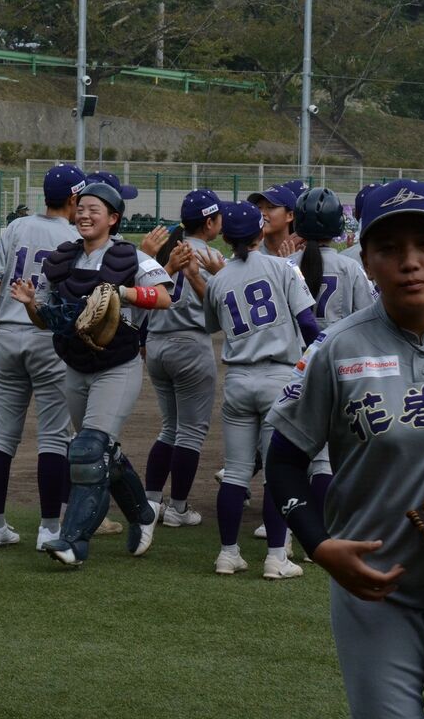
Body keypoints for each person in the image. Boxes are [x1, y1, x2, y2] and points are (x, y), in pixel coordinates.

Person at [265, 179, 424, 719]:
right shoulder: (337, 348)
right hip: (376, 589)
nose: (410, 262)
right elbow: (284, 459)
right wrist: (319, 545)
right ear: (365, 263)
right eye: (389, 249)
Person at [12, 180, 173, 568]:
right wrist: (33, 304)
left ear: (113, 218)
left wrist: (125, 293)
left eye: (94, 210)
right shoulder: (63, 259)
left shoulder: (131, 257)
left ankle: (73, 542)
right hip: (76, 366)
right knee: (102, 453)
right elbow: (45, 322)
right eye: (80, 208)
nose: (84, 214)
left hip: (117, 367)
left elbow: (166, 297)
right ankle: (142, 514)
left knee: (86, 452)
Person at [198, 200, 319, 579]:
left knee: (234, 472)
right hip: (278, 379)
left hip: (237, 380)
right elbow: (309, 325)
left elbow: (211, 325)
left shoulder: (217, 281)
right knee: (276, 474)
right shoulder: (283, 267)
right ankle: (275, 558)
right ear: (259, 232)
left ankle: (227, 554)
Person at [0, 165, 88, 552]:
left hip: (8, 334)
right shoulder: (75, 237)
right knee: (54, 437)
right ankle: (50, 529)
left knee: (1, 433)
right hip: (47, 336)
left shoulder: (16, 227)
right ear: (73, 199)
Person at [285, 187, 372, 522]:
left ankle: (278, 523)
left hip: (291, 365)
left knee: (287, 450)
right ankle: (322, 526)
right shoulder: (349, 267)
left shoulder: (284, 265)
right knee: (323, 458)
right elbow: (365, 317)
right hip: (336, 364)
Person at [141, 189, 227, 527]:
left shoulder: (166, 251)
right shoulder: (210, 256)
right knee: (190, 433)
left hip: (156, 344)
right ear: (209, 222)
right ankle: (177, 509)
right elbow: (220, 307)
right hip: (190, 345)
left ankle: (149, 502)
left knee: (170, 428)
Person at [248, 184, 298, 257]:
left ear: (290, 215)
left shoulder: (301, 251)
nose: (261, 213)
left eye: (270, 207)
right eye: (259, 207)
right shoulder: (249, 251)